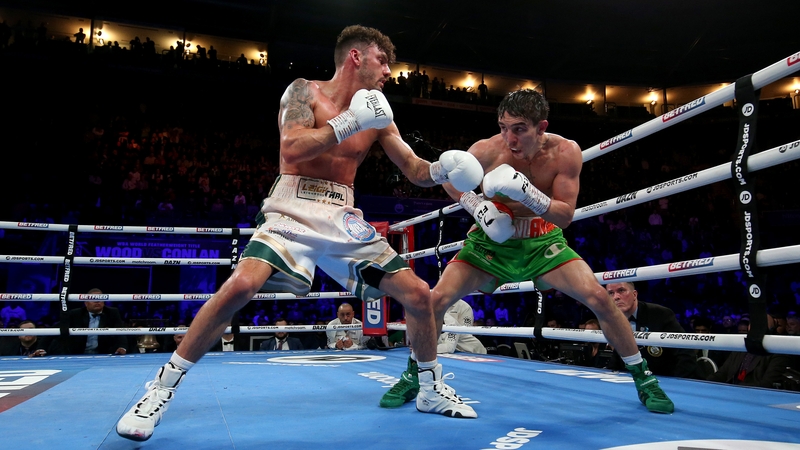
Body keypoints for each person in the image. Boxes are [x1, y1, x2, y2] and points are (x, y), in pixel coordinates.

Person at [116, 24, 484, 442]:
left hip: (343, 213)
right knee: (241, 286)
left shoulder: (379, 113)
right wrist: (349, 122)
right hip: (293, 205)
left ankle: (430, 388)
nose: (389, 72)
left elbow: (413, 169)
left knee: (417, 294)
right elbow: (291, 147)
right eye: (383, 61)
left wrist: (442, 169)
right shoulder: (304, 91)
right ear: (356, 56)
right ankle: (161, 389)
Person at [383, 89, 674, 415]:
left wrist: (525, 191)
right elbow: (452, 178)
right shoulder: (486, 150)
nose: (509, 138)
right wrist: (476, 206)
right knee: (435, 301)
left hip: (542, 240)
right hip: (489, 244)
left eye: (519, 129)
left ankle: (644, 378)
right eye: (503, 127)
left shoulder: (565, 152)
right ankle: (415, 375)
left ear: (541, 127)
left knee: (599, 297)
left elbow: (564, 216)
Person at [606, 282, 698, 379]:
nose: (616, 297)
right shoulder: (613, 319)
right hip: (631, 380)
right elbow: (618, 355)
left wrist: (676, 383)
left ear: (634, 294)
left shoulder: (660, 314)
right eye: (611, 293)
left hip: (663, 379)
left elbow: (685, 353)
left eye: (621, 290)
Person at [52, 288, 128, 355]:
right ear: (86, 303)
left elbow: (120, 330)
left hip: (104, 353)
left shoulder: (112, 312)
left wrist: (122, 347)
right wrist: (44, 348)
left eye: (100, 299)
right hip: (78, 353)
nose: (97, 301)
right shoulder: (76, 314)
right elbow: (56, 328)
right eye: (93, 299)